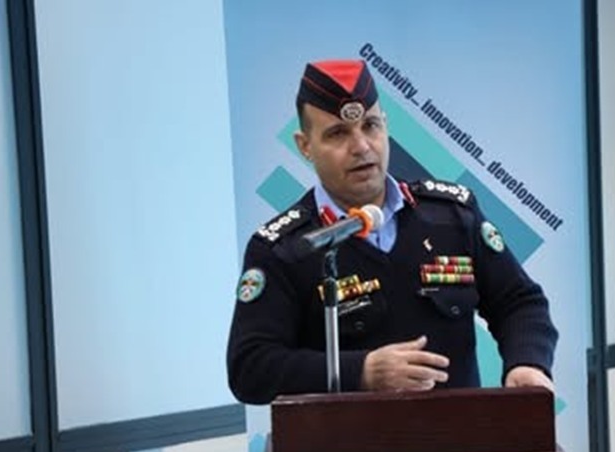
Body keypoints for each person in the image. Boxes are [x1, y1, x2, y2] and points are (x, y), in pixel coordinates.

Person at [227, 59, 557, 405]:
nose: (361, 146)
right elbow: (250, 368)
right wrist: (361, 372)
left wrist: (527, 363)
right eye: (338, 133)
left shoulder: (452, 215)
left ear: (385, 126)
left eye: (370, 126)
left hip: (459, 434)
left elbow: (519, 302)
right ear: (305, 146)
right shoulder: (287, 248)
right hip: (347, 439)